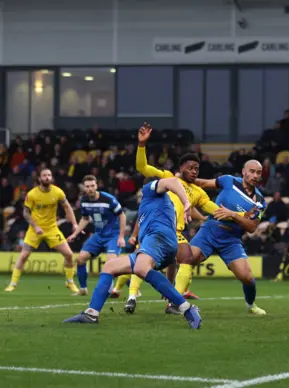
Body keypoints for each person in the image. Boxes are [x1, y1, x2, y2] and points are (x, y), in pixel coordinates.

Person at [63, 177, 202, 329]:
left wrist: (186, 201)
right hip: (163, 244)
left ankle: (187, 308)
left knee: (141, 268)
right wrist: (169, 287)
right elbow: (171, 259)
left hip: (158, 238)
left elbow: (172, 182)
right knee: (110, 266)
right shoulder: (156, 208)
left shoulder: (149, 190)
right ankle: (91, 313)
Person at [134, 123, 238, 313]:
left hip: (175, 233)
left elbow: (215, 210)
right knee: (141, 263)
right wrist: (141, 145)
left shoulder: (198, 192)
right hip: (156, 228)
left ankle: (173, 301)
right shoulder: (168, 177)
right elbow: (142, 167)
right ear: (181, 167)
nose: (194, 171)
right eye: (190, 167)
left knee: (186, 259)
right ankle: (131, 294)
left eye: (197, 169)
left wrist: (237, 216)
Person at [174, 160, 267, 315]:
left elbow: (251, 227)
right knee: (187, 258)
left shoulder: (260, 201)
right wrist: (180, 179)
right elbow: (202, 183)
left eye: (258, 172)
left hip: (231, 240)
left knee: (248, 278)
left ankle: (251, 306)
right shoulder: (228, 180)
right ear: (243, 172)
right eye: (251, 171)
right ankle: (176, 300)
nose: (255, 175)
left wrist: (232, 215)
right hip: (210, 231)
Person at [5, 168, 80, 293]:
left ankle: (70, 282)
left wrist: (74, 224)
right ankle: (12, 284)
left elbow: (67, 207)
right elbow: (26, 212)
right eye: (44, 175)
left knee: (69, 255)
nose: (47, 177)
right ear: (40, 178)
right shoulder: (32, 194)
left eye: (49, 175)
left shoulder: (58, 192)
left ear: (52, 178)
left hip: (52, 229)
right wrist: (35, 226)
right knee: (24, 255)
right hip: (35, 230)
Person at [66, 175, 127, 296]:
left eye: (92, 186)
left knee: (111, 264)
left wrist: (121, 236)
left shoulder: (108, 199)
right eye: (87, 186)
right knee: (80, 259)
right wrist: (75, 234)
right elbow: (85, 219)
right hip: (98, 235)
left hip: (113, 235)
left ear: (96, 186)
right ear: (84, 188)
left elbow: (122, 215)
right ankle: (83, 289)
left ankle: (116, 289)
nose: (90, 189)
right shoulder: (84, 201)